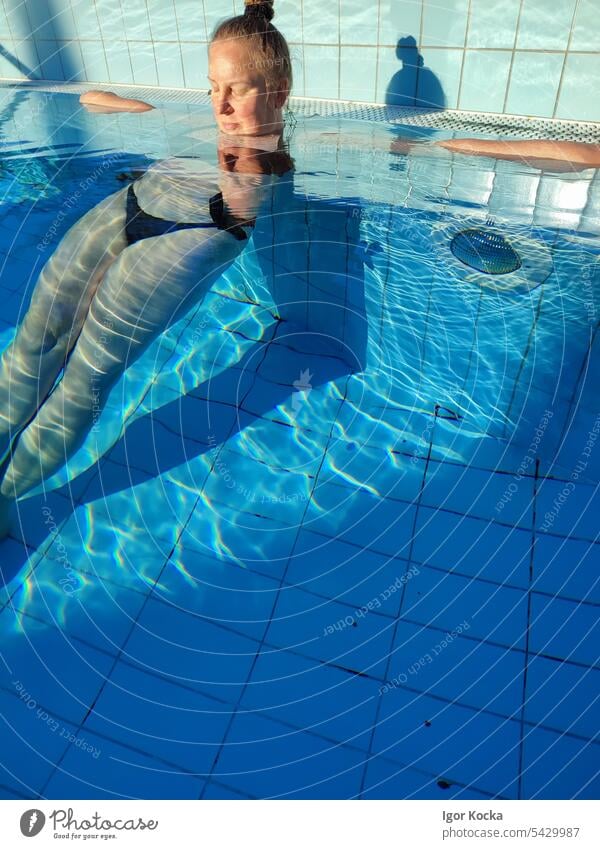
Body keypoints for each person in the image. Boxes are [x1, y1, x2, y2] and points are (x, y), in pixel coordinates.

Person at [0, 0, 294, 539]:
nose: (221, 105)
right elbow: (100, 100)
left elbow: (420, 144)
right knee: (31, 345)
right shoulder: (191, 119)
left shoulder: (276, 152)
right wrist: (109, 102)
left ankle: (4, 496)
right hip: (133, 202)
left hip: (199, 232)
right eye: (213, 87)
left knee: (85, 379)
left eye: (240, 89)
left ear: (278, 91)